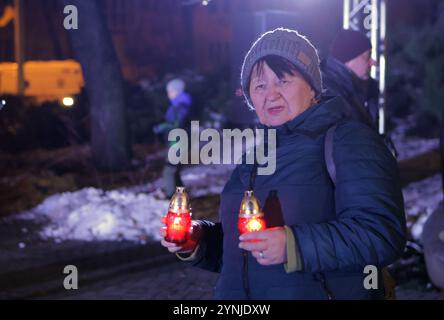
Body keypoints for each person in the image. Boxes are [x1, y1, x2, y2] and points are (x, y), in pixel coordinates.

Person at [160, 28, 406, 300]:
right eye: (260, 85)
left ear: (313, 87)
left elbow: (381, 234)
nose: (271, 94)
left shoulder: (348, 139)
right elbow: (244, 251)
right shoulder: (254, 157)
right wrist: (197, 240)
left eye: (283, 81)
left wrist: (293, 245)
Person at [321, 29, 379, 129]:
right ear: (349, 59)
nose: (373, 62)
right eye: (368, 56)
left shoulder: (347, 89)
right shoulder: (329, 94)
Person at [153, 78, 192, 198]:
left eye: (170, 91)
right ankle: (180, 195)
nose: (168, 94)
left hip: (179, 141)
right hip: (177, 140)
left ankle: (170, 196)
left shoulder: (181, 105)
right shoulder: (178, 105)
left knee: (169, 169)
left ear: (177, 91)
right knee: (175, 170)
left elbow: (177, 124)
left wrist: (162, 127)